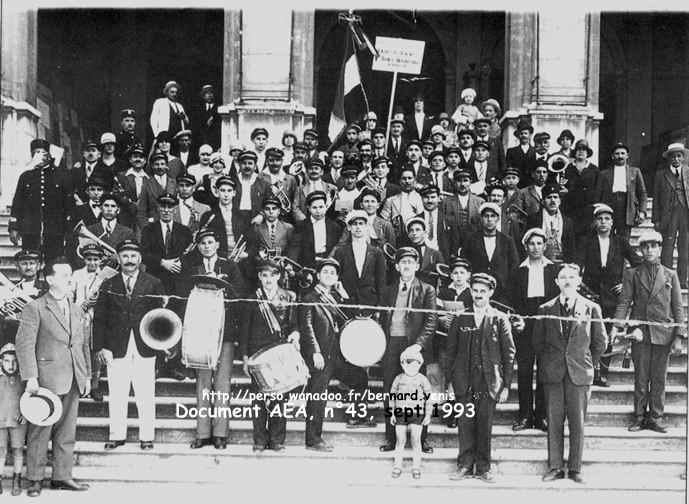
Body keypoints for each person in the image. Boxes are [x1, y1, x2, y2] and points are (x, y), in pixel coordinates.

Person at [16, 257, 91, 495]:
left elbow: (83, 345)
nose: (70, 279)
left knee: (67, 433)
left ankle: (62, 476)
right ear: (49, 280)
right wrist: (30, 377)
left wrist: (87, 375)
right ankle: (35, 479)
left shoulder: (77, 309)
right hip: (45, 381)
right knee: (40, 431)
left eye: (70, 275)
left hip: (73, 378)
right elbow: (24, 345)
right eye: (64, 275)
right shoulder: (34, 307)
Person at [533, 263, 607, 484]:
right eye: (562, 277)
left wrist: (587, 364)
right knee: (554, 421)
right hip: (553, 373)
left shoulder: (592, 308)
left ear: (578, 281)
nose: (567, 281)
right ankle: (555, 466)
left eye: (571, 277)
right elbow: (537, 342)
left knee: (578, 422)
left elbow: (600, 342)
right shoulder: (545, 309)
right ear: (556, 282)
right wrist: (548, 364)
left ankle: (575, 468)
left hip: (579, 373)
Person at [93, 240, 166, 452]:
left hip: (145, 346)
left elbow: (160, 318)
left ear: (140, 259)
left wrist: (159, 345)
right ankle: (117, 435)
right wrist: (101, 347)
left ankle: (147, 437)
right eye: (125, 256)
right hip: (116, 347)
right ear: (118, 258)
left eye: (133, 256)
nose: (129, 260)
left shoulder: (153, 283)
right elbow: (99, 320)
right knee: (117, 392)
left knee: (145, 392)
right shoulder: (108, 284)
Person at [613, 230, 685, 433]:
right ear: (641, 250)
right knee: (641, 377)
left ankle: (656, 416)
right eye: (645, 246)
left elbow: (678, 308)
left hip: (664, 333)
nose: (650, 250)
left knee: (659, 378)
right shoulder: (632, 274)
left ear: (660, 249)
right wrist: (617, 326)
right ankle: (639, 416)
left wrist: (679, 337)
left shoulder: (671, 274)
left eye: (654, 246)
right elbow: (624, 302)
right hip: (641, 333)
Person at [446, 273, 515, 483]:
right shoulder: (461, 317)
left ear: (490, 293)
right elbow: (450, 351)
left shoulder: (500, 318)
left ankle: (484, 467)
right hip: (464, 381)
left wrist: (505, 386)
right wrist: (449, 382)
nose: (478, 295)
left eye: (482, 291)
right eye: (475, 291)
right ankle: (465, 464)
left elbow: (509, 353)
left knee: (484, 424)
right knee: (465, 424)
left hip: (488, 381)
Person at [181, 230, 246, 449]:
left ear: (217, 244)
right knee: (203, 383)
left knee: (222, 383)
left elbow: (239, 296)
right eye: (203, 243)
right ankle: (202, 433)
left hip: (225, 333)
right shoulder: (193, 270)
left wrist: (223, 290)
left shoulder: (230, 267)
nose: (207, 246)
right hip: (201, 334)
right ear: (198, 247)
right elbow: (185, 300)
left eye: (210, 242)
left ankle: (220, 434)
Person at [299, 258, 369, 451]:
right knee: (317, 397)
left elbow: (352, 318)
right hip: (320, 356)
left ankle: (357, 416)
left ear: (337, 277)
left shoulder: (336, 297)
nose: (329, 275)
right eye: (325, 272)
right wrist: (315, 352)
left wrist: (345, 295)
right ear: (318, 275)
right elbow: (306, 327)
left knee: (360, 378)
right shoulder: (309, 297)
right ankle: (313, 440)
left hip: (337, 356)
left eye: (333, 273)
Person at [575, 204, 642, 387]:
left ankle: (603, 374)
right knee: (589, 334)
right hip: (591, 295)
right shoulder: (586, 242)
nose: (603, 222)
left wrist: (625, 283)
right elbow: (577, 265)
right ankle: (591, 371)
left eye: (607, 219)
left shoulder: (620, 242)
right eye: (600, 219)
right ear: (595, 222)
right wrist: (580, 284)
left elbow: (638, 263)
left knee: (608, 334)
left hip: (612, 297)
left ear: (612, 222)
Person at [379, 247, 437, 454]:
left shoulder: (427, 289)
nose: (406, 266)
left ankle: (422, 439)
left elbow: (431, 321)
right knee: (390, 391)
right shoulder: (388, 290)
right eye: (403, 263)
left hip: (415, 346)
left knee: (418, 392)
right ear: (396, 267)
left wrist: (417, 346)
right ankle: (391, 438)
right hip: (392, 345)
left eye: (411, 262)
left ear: (417, 266)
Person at [239, 259, 298, 451]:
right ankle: (259, 440)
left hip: (280, 353)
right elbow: (244, 331)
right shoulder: (251, 298)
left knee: (280, 397)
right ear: (259, 277)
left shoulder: (289, 297)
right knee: (258, 399)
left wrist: (295, 334)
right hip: (258, 355)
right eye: (264, 275)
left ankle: (277, 440)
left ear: (279, 276)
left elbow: (294, 324)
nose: (268, 279)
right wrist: (245, 358)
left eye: (272, 275)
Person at [510, 228, 559, 431]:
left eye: (539, 243)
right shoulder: (517, 271)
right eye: (531, 243)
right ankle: (524, 416)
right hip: (525, 323)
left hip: (546, 323)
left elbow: (558, 299)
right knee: (524, 370)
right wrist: (517, 319)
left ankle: (541, 416)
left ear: (545, 246)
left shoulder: (554, 270)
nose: (535, 247)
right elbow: (511, 300)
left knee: (544, 370)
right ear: (525, 246)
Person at [9, 138, 74, 262]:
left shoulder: (60, 176)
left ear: (48, 155)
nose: (38, 156)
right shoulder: (25, 177)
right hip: (30, 229)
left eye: (41, 152)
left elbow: (68, 205)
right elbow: (17, 203)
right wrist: (14, 227)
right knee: (30, 261)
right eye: (35, 153)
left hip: (55, 229)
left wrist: (68, 229)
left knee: (53, 263)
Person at [461, 202, 520, 304]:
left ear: (497, 219)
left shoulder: (507, 241)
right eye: (486, 216)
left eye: (493, 216)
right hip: (478, 291)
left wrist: (508, 288)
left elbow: (514, 266)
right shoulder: (471, 240)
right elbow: (465, 264)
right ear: (481, 219)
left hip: (501, 292)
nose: (489, 219)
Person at [71, 243, 108, 401]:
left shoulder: (106, 276)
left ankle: (95, 384)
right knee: (83, 348)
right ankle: (83, 382)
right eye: (89, 259)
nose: (92, 263)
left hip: (99, 317)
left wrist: (97, 302)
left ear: (101, 260)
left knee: (96, 349)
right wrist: (82, 306)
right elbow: (70, 296)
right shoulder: (77, 275)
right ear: (84, 259)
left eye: (96, 259)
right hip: (82, 317)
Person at [330, 210, 387, 314]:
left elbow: (381, 282)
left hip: (370, 303)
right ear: (349, 227)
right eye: (354, 224)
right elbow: (336, 279)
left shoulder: (376, 252)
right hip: (347, 303)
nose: (358, 227)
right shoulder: (341, 252)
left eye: (361, 224)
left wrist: (379, 307)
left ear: (366, 227)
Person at [389, 346, 432, 480]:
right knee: (400, 439)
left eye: (415, 362)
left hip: (417, 414)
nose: (411, 366)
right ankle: (397, 465)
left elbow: (429, 398)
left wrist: (428, 414)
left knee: (416, 439)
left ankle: (416, 466)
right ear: (402, 364)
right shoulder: (398, 378)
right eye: (407, 362)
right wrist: (391, 413)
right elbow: (392, 396)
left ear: (420, 363)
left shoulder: (423, 379)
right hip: (401, 413)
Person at [652, 142, 689, 288]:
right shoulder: (661, 175)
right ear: (669, 159)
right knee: (668, 246)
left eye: (679, 156)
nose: (676, 159)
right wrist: (656, 219)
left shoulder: (687, 172)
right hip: (669, 214)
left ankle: (682, 279)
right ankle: (666, 279)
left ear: (683, 158)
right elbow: (656, 198)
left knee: (685, 247)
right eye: (673, 156)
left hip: (685, 213)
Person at [599, 142, 647, 239]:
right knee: (608, 236)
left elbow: (642, 193)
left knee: (624, 238)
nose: (620, 156)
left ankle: (623, 254)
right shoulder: (604, 174)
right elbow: (598, 193)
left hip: (627, 206)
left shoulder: (635, 171)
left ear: (627, 156)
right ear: (612, 156)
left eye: (622, 153)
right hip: (609, 204)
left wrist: (642, 211)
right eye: (617, 154)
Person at [290, 191, 342, 267]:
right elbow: (295, 247)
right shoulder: (302, 226)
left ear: (326, 206)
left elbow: (337, 248)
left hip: (328, 264)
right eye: (314, 207)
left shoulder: (334, 227)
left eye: (321, 207)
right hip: (307, 265)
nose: (318, 211)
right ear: (308, 208)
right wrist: (290, 264)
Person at [525, 183, 576, 263]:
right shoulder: (534, 219)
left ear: (560, 201)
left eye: (555, 197)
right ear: (542, 201)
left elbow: (571, 247)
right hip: (540, 262)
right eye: (549, 197)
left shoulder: (567, 221)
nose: (553, 200)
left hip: (562, 262)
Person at [0, 342, 25, 495]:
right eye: (7, 361)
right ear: (1, 362)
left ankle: (17, 479)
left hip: (18, 421)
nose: (11, 365)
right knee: (1, 450)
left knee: (17, 449)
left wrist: (24, 414)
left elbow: (29, 399)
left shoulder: (23, 380)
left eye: (14, 361)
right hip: (0, 420)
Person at [563, 139, 601, 238]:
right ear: (574, 152)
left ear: (587, 153)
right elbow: (564, 186)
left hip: (588, 209)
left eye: (584, 150)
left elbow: (598, 189)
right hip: (571, 208)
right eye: (578, 149)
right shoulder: (568, 168)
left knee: (587, 235)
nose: (581, 152)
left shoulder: (594, 169)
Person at [138, 152, 178, 229]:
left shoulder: (174, 182)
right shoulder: (146, 184)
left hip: (172, 225)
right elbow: (141, 211)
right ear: (152, 166)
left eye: (162, 164)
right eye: (156, 164)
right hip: (153, 226)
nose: (160, 167)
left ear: (167, 165)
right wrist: (146, 228)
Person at [441, 169, 484, 239]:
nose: (462, 184)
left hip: (474, 240)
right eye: (459, 181)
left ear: (470, 182)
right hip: (453, 240)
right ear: (454, 183)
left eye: (465, 180)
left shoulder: (480, 202)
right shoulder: (446, 202)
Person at [505, 120, 535, 186]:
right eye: (521, 133)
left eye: (526, 133)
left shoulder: (535, 151)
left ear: (530, 135)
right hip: (517, 183)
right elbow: (509, 168)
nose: (523, 136)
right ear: (518, 136)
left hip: (531, 183)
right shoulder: (511, 151)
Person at [198, 84, 220, 149]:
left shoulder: (218, 108)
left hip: (215, 139)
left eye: (211, 93)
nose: (209, 95)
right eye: (207, 93)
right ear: (203, 96)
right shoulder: (199, 108)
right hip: (203, 139)